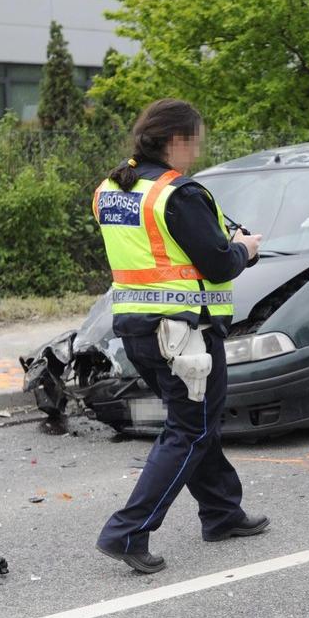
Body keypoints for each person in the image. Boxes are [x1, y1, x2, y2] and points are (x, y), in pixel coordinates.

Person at [92, 98, 269, 574]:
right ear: (176, 140)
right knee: (190, 430)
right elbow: (217, 262)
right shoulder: (179, 193)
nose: (199, 148)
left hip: (138, 328)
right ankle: (128, 531)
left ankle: (222, 512)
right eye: (196, 140)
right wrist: (245, 249)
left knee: (198, 422)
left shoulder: (113, 187)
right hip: (183, 333)